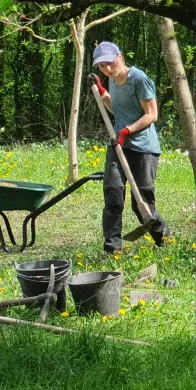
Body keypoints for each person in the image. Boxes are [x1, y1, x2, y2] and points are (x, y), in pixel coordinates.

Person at [90, 41, 170, 253]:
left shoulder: (139, 79)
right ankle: (112, 250)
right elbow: (117, 110)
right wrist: (101, 90)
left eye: (109, 63)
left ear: (120, 57)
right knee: (113, 195)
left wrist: (127, 131)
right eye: (101, 66)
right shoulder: (113, 81)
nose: (106, 69)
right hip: (119, 146)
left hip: (144, 148)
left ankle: (164, 239)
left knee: (141, 202)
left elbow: (152, 115)